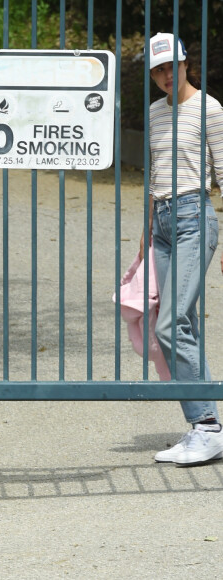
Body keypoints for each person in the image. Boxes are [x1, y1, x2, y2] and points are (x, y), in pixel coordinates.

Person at [141, 33, 223, 465]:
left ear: (187, 63)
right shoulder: (156, 112)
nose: (167, 75)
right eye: (158, 69)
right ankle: (205, 426)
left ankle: (207, 426)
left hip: (195, 216)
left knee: (170, 325)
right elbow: (156, 174)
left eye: (172, 66)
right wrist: (145, 233)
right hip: (162, 222)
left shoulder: (210, 109)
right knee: (180, 324)